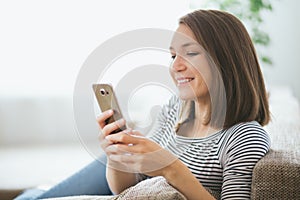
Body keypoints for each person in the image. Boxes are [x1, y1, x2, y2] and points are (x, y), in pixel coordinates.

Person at [15, 9, 270, 200]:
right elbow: (126, 189)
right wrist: (118, 158)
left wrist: (171, 167)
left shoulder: (244, 137)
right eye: (172, 55)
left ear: (226, 60)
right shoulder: (177, 110)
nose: (175, 66)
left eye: (190, 53)